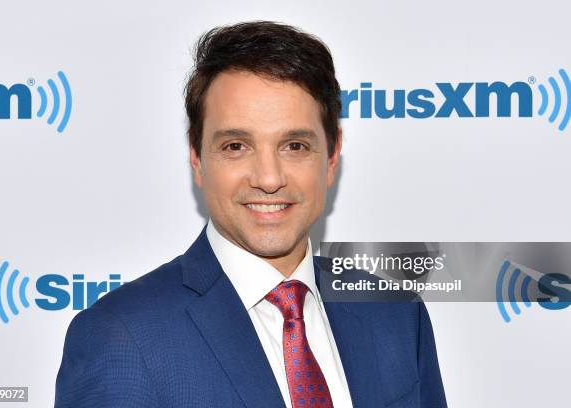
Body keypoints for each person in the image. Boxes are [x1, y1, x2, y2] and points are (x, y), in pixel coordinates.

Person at [54, 20, 447, 408]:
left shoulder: (396, 315)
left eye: (294, 145)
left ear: (331, 157)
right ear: (197, 158)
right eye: (236, 146)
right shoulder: (121, 337)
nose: (269, 178)